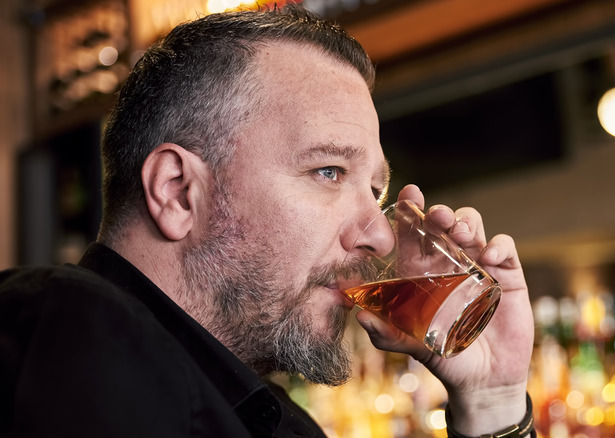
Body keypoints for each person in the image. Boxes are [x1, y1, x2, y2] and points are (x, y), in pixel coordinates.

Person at [0, 5, 535, 437]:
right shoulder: (65, 325)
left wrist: (493, 402)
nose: (379, 233)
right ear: (178, 192)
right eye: (328, 170)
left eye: (376, 189)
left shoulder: (271, 416)